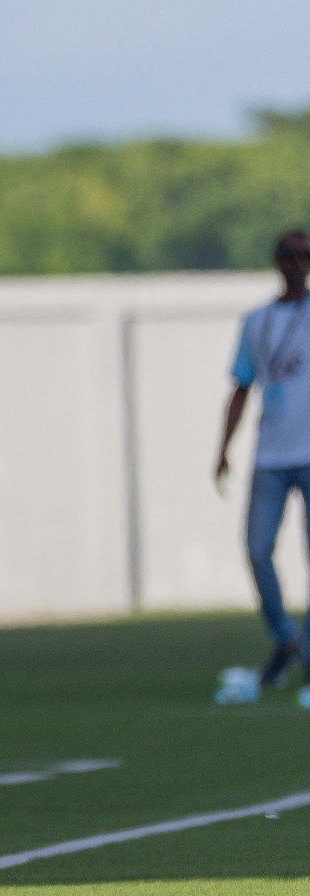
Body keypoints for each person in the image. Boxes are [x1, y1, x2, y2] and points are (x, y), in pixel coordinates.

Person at [215, 229, 310, 690]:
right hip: (271, 454)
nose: (297, 263)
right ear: (276, 260)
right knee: (256, 549)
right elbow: (241, 385)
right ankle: (285, 638)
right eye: (290, 255)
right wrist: (223, 449)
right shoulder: (256, 320)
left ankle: (307, 652)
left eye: (305, 255)